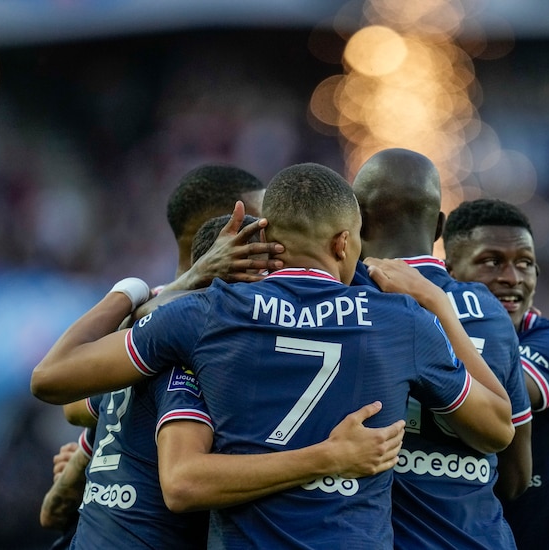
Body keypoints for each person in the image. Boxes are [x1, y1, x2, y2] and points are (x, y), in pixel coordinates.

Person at [30, 163, 515, 548]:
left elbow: (52, 379)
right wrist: (437, 305)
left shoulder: (205, 314)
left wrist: (133, 289)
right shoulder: (400, 320)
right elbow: (498, 429)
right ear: (343, 241)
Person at [37, 163, 276, 547]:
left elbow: (81, 404)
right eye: (260, 222)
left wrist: (87, 453)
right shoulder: (196, 322)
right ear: (227, 231)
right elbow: (68, 396)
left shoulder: (148, 312)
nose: (272, 232)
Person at [351, 148, 533, 548]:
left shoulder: (342, 300)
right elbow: (517, 473)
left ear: (356, 219)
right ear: (439, 226)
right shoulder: (489, 308)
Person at [443, 198, 549, 550]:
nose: (511, 278)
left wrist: (434, 304)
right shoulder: (433, 338)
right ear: (450, 272)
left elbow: (494, 389)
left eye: (525, 264)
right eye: (491, 262)